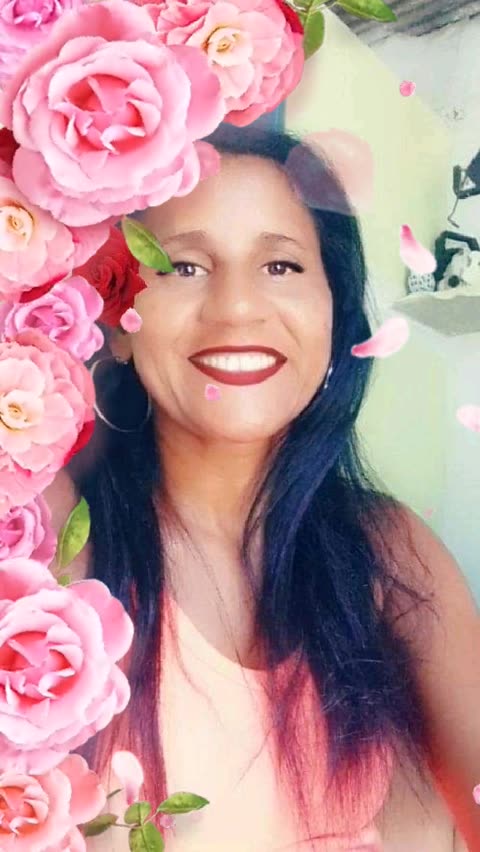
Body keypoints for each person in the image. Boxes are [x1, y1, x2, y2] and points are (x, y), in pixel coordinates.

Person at [45, 125, 480, 851]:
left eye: (281, 265)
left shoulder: (391, 551)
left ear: (334, 311)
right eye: (183, 267)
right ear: (119, 325)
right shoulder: (58, 544)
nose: (237, 308)